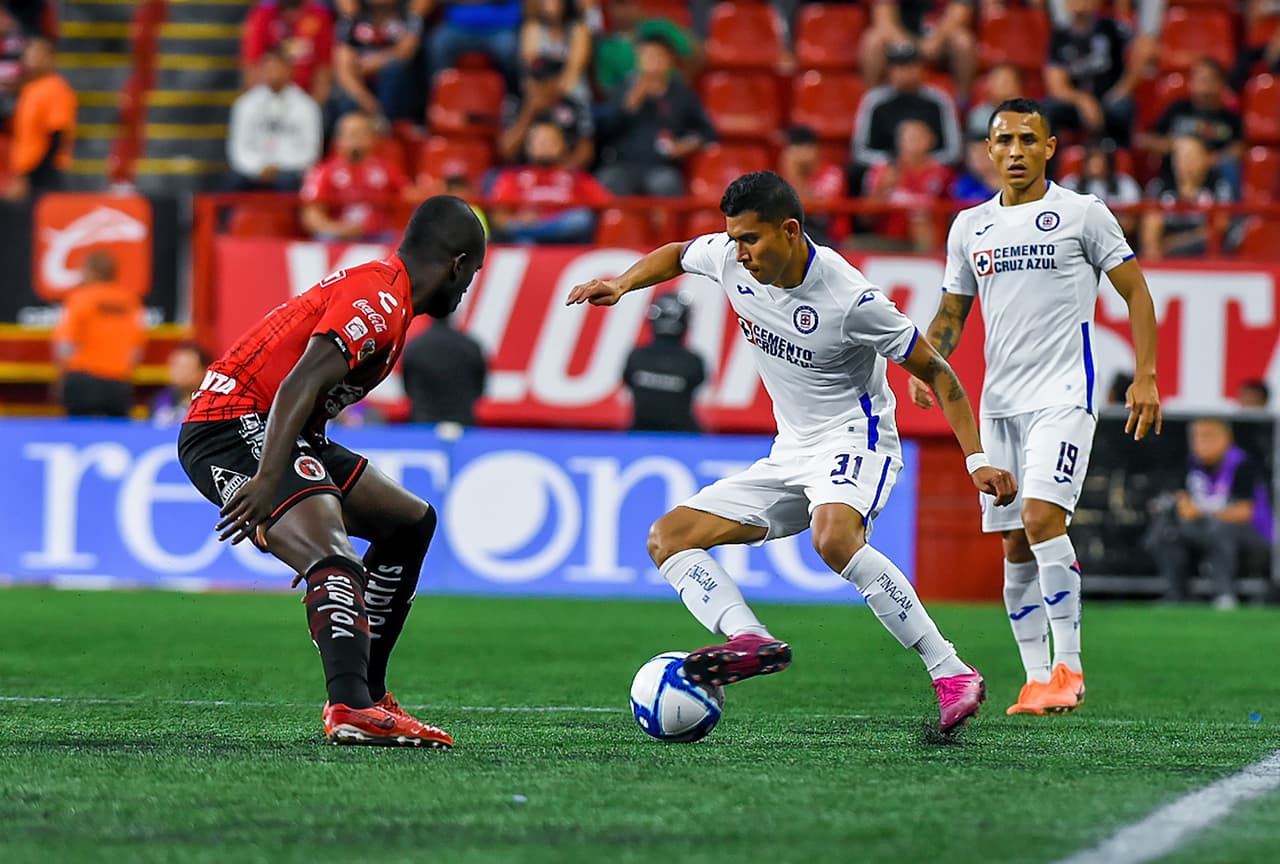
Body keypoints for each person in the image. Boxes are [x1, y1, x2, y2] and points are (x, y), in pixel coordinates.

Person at [566, 171, 1019, 735]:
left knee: (832, 539)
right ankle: (749, 640)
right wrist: (622, 283)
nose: (738, 253)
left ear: (789, 231)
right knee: (668, 537)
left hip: (858, 438)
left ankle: (950, 670)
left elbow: (939, 373)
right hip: (791, 451)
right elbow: (680, 254)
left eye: (750, 240)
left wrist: (976, 459)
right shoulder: (730, 260)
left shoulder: (849, 298)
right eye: (733, 239)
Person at [178, 195, 487, 747]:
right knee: (333, 557)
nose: (465, 291)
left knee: (409, 522)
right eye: (471, 276)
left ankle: (370, 695)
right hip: (234, 422)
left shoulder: (387, 292)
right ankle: (349, 706)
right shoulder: (380, 297)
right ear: (457, 264)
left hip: (288, 430)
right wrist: (270, 480)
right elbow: (299, 382)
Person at [910, 97, 1162, 717]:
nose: (1015, 151)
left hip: (1062, 398)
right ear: (988, 150)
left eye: (1028, 139)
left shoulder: (1082, 214)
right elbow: (951, 314)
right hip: (999, 408)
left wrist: (1146, 375)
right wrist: (926, 362)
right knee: (1016, 545)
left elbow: (1137, 293)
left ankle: (1069, 669)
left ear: (1050, 147)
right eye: (1004, 141)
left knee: (1044, 518)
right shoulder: (969, 226)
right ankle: (1034, 679)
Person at [1148, 418, 1271, 610]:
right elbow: (1182, 499)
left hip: (1255, 534)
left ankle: (1225, 594)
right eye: (1195, 437)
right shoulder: (1192, 465)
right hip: (1206, 528)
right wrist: (1180, 505)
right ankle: (1177, 595)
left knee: (1219, 530)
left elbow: (1245, 512)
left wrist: (1200, 511)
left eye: (1207, 436)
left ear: (1226, 438)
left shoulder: (1242, 464)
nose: (1200, 443)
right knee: (1168, 531)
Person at [595, 31, 717, 197]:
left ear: (670, 61)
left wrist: (685, 145)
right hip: (622, 163)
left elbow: (707, 131)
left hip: (662, 166)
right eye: (647, 56)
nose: (653, 62)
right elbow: (603, 131)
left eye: (658, 56)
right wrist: (628, 106)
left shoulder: (682, 94)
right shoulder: (621, 89)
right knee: (608, 181)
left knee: (667, 184)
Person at [52, 250, 147, 418]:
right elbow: (136, 350)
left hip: (82, 380)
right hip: (118, 382)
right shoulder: (130, 301)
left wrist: (61, 377)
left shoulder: (80, 298)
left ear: (91, 271)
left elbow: (65, 345)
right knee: (116, 438)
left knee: (80, 437)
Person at [299, 112, 416, 241]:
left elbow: (409, 196)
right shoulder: (322, 172)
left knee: (399, 241)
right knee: (325, 238)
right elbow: (311, 215)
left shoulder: (387, 169)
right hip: (338, 236)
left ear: (373, 138)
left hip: (379, 236)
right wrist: (338, 229)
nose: (357, 139)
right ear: (338, 139)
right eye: (352, 134)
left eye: (362, 134)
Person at [489, 119, 610, 244]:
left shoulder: (577, 178)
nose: (545, 146)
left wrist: (536, 225)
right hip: (527, 241)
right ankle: (531, 232)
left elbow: (606, 205)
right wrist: (519, 219)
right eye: (540, 141)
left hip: (567, 238)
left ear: (562, 145)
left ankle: (533, 230)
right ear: (529, 146)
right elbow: (499, 217)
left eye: (551, 141)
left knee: (581, 218)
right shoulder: (511, 178)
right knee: (521, 240)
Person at [852, 42, 962, 173]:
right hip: (886, 169)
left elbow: (954, 152)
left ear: (922, 69)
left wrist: (922, 162)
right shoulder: (874, 101)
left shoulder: (939, 100)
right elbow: (860, 151)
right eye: (898, 67)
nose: (905, 72)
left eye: (911, 66)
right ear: (889, 71)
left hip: (931, 170)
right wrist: (893, 162)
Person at [1140, 58, 1243, 195]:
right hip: (1173, 180)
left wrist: (1208, 159)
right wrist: (1173, 146)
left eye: (1210, 80)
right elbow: (1144, 139)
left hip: (1213, 180)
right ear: (1191, 82)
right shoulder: (1177, 109)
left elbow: (1240, 149)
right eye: (1200, 79)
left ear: (1221, 84)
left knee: (1230, 167)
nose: (1205, 86)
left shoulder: (1230, 119)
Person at [227, 48, 324, 192]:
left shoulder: (306, 106)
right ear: (261, 71)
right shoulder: (245, 104)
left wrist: (279, 166)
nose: (274, 73)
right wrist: (259, 167)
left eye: (279, 68)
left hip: (291, 170)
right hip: (253, 169)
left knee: (292, 183)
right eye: (269, 68)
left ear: (291, 70)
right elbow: (238, 148)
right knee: (232, 184)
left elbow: (311, 151)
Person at [1043, 0, 1139, 147]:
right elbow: (1057, 86)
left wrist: (1121, 90)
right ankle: (1051, 164)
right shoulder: (1059, 37)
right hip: (1076, 105)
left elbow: (1142, 54)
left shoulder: (1111, 29)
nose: (1080, 3)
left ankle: (1121, 160)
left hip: (1109, 100)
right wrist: (1083, 101)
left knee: (1123, 107)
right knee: (1045, 111)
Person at [862, 118, 951, 252]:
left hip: (930, 242)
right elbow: (865, 218)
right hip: (888, 241)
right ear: (899, 140)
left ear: (931, 140)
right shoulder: (882, 171)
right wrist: (882, 189)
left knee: (921, 223)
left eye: (919, 136)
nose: (913, 141)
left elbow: (951, 213)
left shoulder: (943, 174)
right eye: (909, 136)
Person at [1140, 136, 1235, 261]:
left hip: (1205, 257)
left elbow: (1219, 227)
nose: (1186, 162)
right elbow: (1150, 231)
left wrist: (1174, 244)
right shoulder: (1159, 187)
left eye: (1192, 157)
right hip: (1166, 257)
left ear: (1205, 159)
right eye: (1180, 157)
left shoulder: (1218, 187)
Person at [3, 36, 74, 201]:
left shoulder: (55, 88)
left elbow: (56, 136)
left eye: (38, 54)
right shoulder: (30, 89)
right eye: (30, 54)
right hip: (26, 170)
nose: (32, 59)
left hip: (45, 172)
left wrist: (32, 175)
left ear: (50, 58)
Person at [622, 292, 705, 433]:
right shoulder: (693, 362)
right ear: (684, 321)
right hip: (682, 436)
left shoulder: (636, 357)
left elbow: (628, 382)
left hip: (639, 434)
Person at [859, 0, 978, 98]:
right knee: (873, 40)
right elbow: (884, 20)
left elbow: (959, 16)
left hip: (940, 43)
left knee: (963, 41)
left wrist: (935, 41)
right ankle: (872, 100)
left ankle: (963, 102)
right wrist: (908, 44)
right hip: (901, 41)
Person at [333, 0, 422, 123]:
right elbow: (342, 58)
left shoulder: (408, 16)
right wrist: (365, 99)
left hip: (399, 86)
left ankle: (390, 128)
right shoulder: (353, 18)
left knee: (394, 71)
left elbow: (405, 52)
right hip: (363, 86)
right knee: (346, 100)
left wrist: (373, 63)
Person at [498, 58, 594, 170]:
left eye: (543, 81)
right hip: (523, 173)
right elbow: (507, 151)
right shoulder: (516, 103)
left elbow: (586, 152)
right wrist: (529, 113)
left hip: (563, 171)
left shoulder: (574, 106)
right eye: (533, 80)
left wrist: (556, 176)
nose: (536, 86)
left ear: (556, 82)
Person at [401, 313, 488, 425]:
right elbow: (480, 388)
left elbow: (407, 388)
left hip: (422, 423)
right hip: (463, 424)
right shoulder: (471, 347)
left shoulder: (414, 346)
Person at [241, 0, 335, 103]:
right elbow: (251, 65)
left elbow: (324, 68)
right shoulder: (262, 13)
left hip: (307, 99)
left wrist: (313, 107)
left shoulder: (318, 15)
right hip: (267, 98)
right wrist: (259, 103)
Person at [776, 125, 847, 248]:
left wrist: (795, 176)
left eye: (796, 147)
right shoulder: (782, 177)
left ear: (812, 149)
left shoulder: (832, 174)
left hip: (829, 238)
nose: (790, 154)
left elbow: (820, 214)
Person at [1059, 141, 1142, 235]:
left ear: (1108, 162)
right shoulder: (1070, 183)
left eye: (1099, 159)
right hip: (1079, 234)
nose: (1095, 163)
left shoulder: (1124, 183)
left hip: (1116, 233)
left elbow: (1131, 217)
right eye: (1091, 159)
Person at [519, 0, 591, 102]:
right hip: (537, 94)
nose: (545, 3)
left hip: (570, 95)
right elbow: (530, 71)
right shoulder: (532, 28)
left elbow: (572, 74)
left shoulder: (579, 30)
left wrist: (549, 93)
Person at [151, 342, 210, 426]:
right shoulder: (161, 400)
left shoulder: (211, 406)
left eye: (185, 367)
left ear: (203, 371)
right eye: (175, 365)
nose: (179, 372)